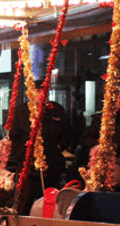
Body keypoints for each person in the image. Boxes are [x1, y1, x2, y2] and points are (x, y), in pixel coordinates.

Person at [8, 80, 72, 215]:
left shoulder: (56, 110)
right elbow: (14, 136)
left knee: (53, 203)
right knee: (25, 202)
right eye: (37, 91)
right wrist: (22, 154)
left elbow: (67, 132)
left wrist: (59, 147)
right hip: (29, 168)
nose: (41, 94)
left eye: (44, 91)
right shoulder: (22, 110)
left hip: (52, 165)